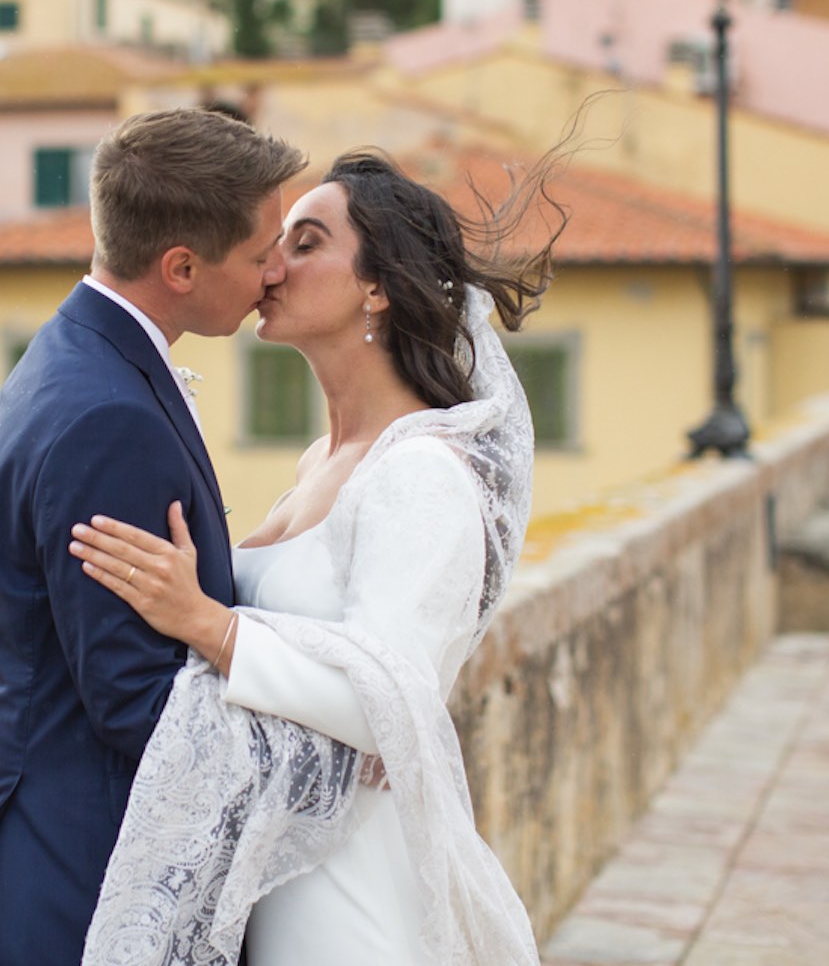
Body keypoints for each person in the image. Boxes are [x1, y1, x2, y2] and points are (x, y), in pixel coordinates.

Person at [68, 149, 556, 965]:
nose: (270, 268)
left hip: (348, 895)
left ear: (377, 286)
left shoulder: (422, 474)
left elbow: (389, 705)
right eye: (274, 245)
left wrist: (209, 626)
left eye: (304, 243)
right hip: (281, 867)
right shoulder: (316, 462)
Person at [0, 107, 307, 966]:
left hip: (56, 850)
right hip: (83, 885)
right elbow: (136, 703)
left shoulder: (70, 357)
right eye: (261, 253)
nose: (274, 273)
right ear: (181, 266)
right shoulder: (108, 418)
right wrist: (333, 734)